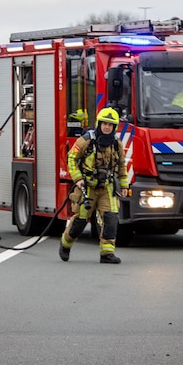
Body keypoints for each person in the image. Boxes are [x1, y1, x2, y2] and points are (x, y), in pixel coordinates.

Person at [58, 107, 131, 263]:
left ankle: (106, 254)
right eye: (104, 123)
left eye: (110, 125)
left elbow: (121, 166)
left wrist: (124, 186)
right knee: (80, 222)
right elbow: (71, 158)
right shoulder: (86, 140)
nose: (106, 127)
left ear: (114, 127)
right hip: (87, 187)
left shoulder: (117, 145)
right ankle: (65, 244)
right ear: (99, 123)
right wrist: (77, 178)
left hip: (107, 188)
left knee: (111, 219)